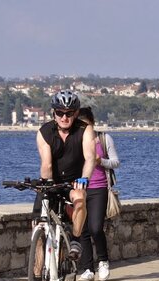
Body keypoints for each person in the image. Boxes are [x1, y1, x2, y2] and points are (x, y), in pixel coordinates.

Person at [35, 90, 96, 261]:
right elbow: (46, 163)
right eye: (60, 113)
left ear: (75, 113)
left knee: (80, 198)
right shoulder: (45, 132)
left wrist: (84, 178)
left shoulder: (85, 130)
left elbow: (90, 158)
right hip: (50, 182)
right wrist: (46, 184)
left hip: (74, 182)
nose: (64, 117)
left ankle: (76, 239)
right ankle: (37, 274)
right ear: (53, 113)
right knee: (37, 229)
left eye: (69, 113)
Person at [75, 106, 120, 281]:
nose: (83, 129)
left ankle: (103, 261)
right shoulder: (76, 140)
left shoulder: (103, 138)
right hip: (80, 189)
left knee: (95, 227)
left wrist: (100, 161)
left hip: (99, 188)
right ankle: (87, 268)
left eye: (85, 125)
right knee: (82, 229)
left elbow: (116, 162)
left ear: (92, 123)